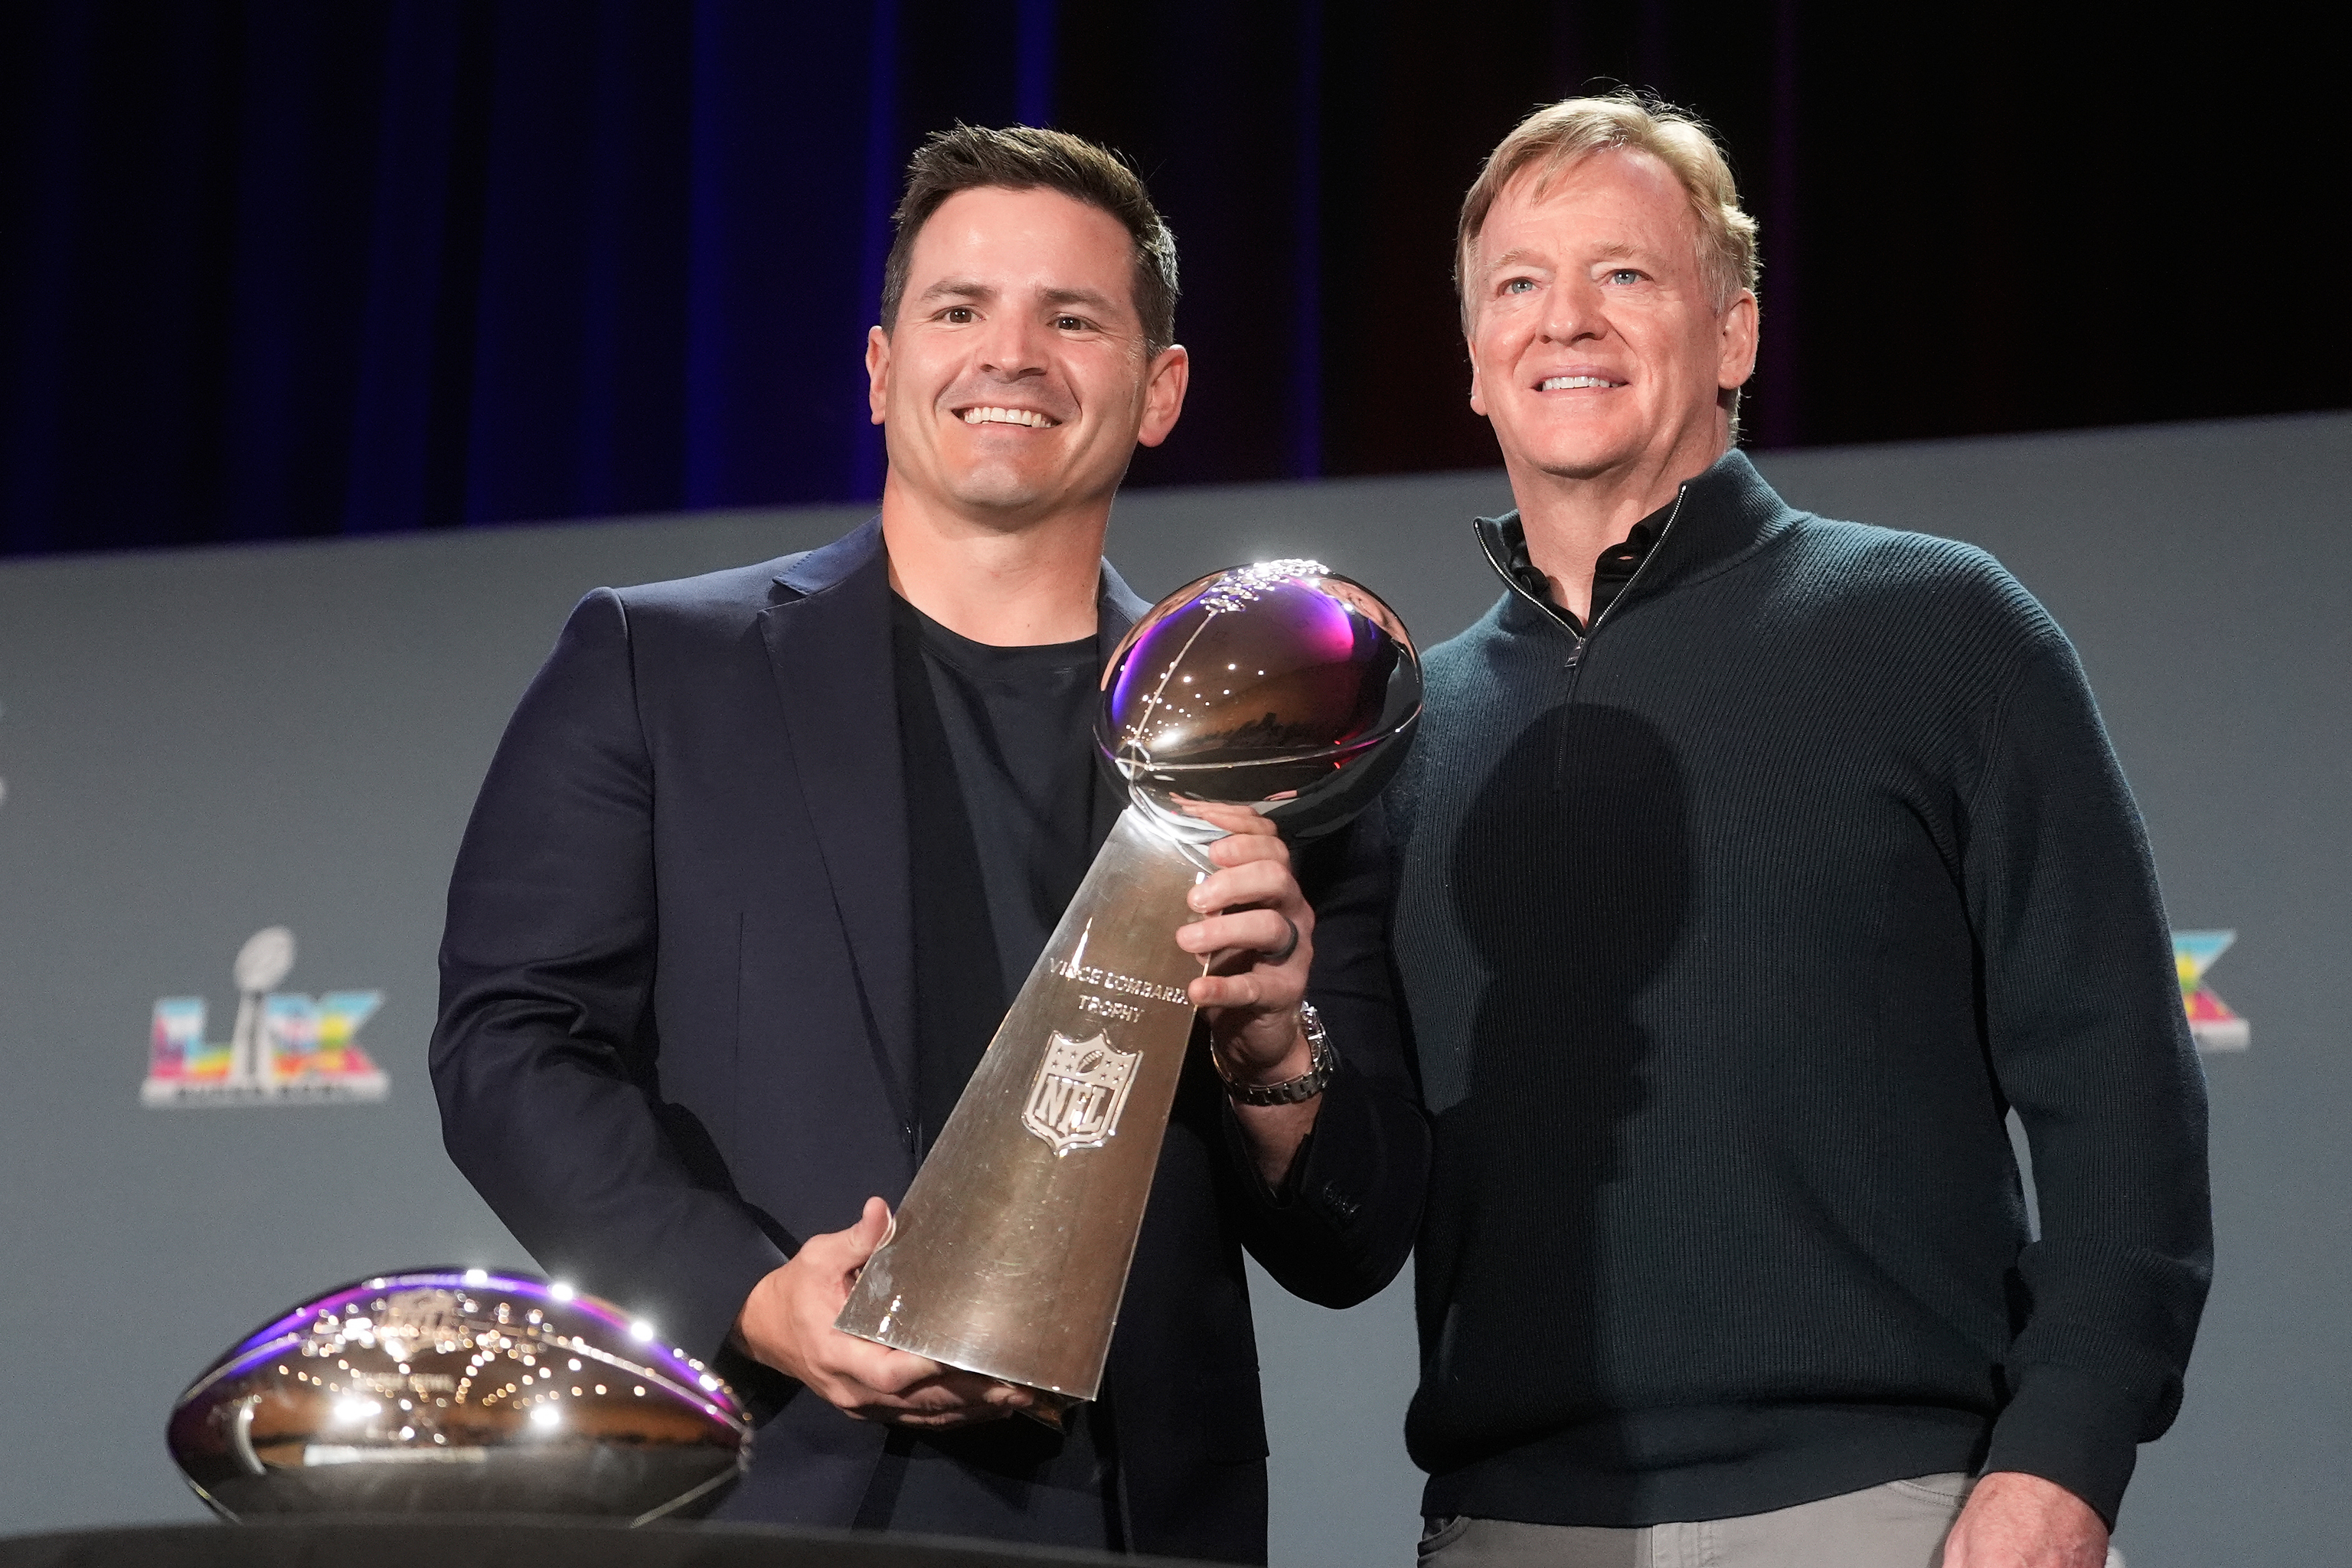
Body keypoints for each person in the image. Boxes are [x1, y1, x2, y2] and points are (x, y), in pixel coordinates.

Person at [430, 124, 1427, 1562]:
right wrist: (755, 1298)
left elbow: (1354, 1238)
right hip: (768, 1490)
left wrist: (1271, 1048)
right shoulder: (658, 667)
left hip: (1138, 1518)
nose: (1010, 355)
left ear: (1161, 389)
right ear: (882, 366)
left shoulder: (1274, 737)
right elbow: (510, 1046)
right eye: (960, 310)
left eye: (1071, 318)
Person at [1387, 94, 2210, 1568]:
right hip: (1510, 1523)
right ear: (1474, 361)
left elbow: (2118, 1084)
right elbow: (1349, 1194)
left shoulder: (1939, 627)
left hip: (1894, 1509)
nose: (1566, 319)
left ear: (1736, 334)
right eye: (1518, 283)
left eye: (1625, 274)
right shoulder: (1404, 729)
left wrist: (2067, 1457)